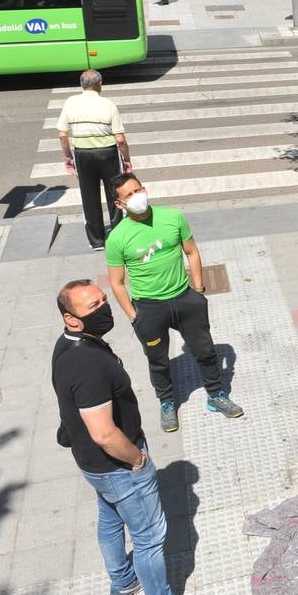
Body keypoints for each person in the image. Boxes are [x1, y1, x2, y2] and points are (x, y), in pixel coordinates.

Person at [52, 279, 215, 595]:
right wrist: (137, 461)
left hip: (93, 466)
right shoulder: (89, 364)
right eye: (92, 307)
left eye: (102, 300)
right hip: (118, 465)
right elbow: (103, 433)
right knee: (150, 537)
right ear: (71, 319)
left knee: (111, 519)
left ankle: (123, 583)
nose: (104, 308)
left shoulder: (65, 347)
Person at [105, 173, 243, 432]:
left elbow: (191, 251)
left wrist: (199, 291)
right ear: (119, 204)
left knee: (205, 351)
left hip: (185, 299)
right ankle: (167, 402)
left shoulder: (172, 217)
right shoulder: (117, 238)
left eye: (138, 190)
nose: (137, 197)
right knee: (158, 360)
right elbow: (116, 282)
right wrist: (133, 315)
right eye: (129, 195)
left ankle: (216, 395)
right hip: (148, 307)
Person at [57, 70, 131, 250]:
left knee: (89, 196)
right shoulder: (108, 104)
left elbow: (62, 135)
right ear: (100, 84)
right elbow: (120, 139)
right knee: (114, 193)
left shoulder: (70, 103)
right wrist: (126, 159)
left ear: (81, 84)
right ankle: (119, 235)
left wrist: (68, 157)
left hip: (83, 154)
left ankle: (97, 240)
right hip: (108, 153)